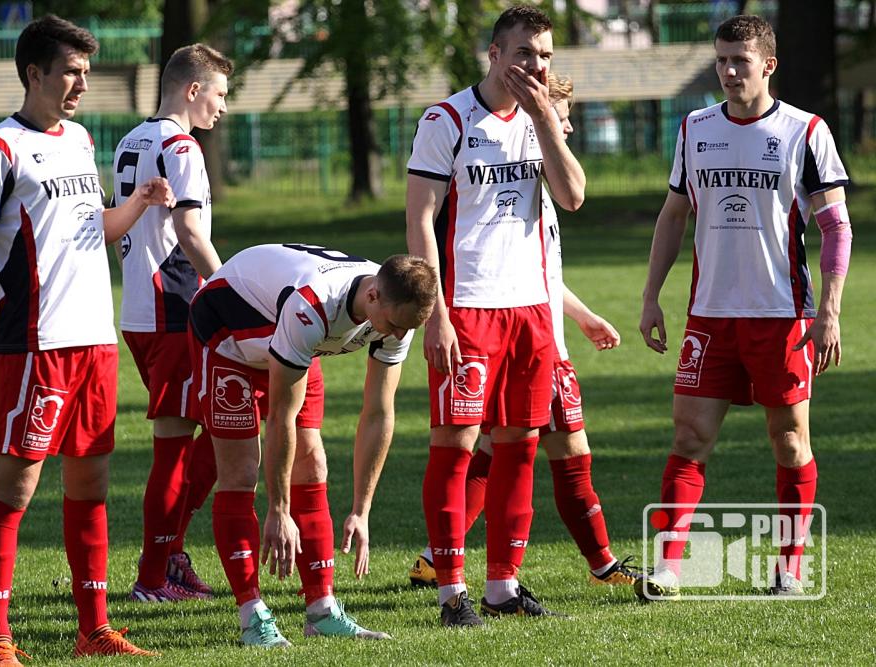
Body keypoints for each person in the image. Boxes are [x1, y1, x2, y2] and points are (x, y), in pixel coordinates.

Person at [0, 15, 176, 665]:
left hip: (93, 341)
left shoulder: (78, 139)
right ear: (34, 73)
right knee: (15, 488)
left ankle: (94, 630)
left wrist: (139, 204)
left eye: (86, 72)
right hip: (37, 343)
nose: (82, 84)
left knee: (91, 485)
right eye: (71, 72)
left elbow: (90, 226)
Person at [636, 14, 851, 601]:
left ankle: (789, 568)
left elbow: (836, 227)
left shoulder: (806, 131)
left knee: (789, 442)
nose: (729, 72)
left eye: (741, 61)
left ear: (768, 65)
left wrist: (829, 311)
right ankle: (669, 568)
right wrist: (651, 296)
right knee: (689, 438)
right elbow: (674, 215)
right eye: (722, 60)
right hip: (709, 315)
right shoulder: (694, 128)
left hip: (782, 316)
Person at [408, 74, 643, 594]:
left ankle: (441, 560)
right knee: (560, 454)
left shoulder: (540, 188)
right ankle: (599, 565)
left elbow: (544, 272)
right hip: (515, 333)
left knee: (505, 449)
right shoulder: (472, 144)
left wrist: (582, 315)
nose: (568, 126)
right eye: (562, 116)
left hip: (538, 332)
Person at [406, 5, 586, 626]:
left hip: (531, 309)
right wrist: (435, 313)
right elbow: (420, 219)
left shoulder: (543, 120)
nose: (535, 66)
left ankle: (502, 586)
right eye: (524, 53)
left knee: (519, 446)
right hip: (467, 308)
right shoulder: (447, 119)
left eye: (545, 56)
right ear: (494, 54)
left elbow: (573, 196)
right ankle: (450, 592)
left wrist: (545, 122)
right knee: (455, 447)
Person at [187, 244, 436, 647]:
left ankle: (321, 611)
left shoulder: (396, 311)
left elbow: (379, 413)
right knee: (241, 470)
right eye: (394, 325)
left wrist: (361, 510)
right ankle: (252, 616)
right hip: (229, 335)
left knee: (314, 462)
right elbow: (280, 417)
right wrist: (279, 509)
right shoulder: (312, 306)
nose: (397, 335)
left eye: (407, 329)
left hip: (293, 341)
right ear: (373, 295)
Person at [113, 43, 231, 603]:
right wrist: (232, 291)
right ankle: (153, 575)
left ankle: (172, 555)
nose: (222, 107)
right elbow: (189, 232)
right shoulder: (182, 146)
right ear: (193, 89)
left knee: (222, 424)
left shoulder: (131, 139)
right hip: (175, 310)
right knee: (178, 448)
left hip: (142, 310)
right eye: (219, 94)